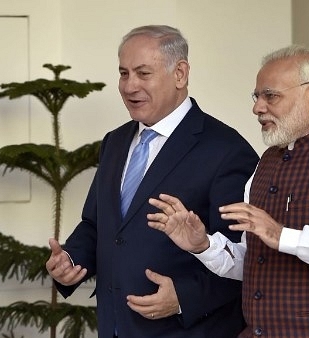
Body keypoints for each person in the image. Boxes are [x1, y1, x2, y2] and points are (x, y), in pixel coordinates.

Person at [147, 45, 309, 337]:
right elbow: (255, 263)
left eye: (271, 96)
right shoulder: (267, 161)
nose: (257, 107)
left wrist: (283, 235)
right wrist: (203, 245)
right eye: (257, 96)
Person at [45, 25, 259, 338]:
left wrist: (184, 297)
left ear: (180, 74)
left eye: (143, 73)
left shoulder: (227, 150)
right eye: (123, 73)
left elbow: (247, 256)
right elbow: (98, 225)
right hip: (116, 327)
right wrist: (70, 261)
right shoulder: (115, 142)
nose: (129, 86)